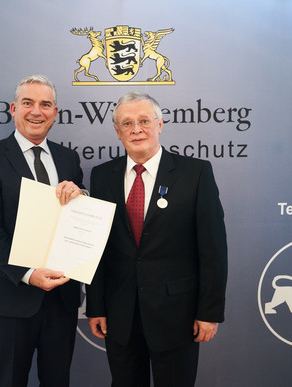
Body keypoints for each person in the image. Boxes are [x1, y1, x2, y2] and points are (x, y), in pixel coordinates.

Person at [86, 92, 228, 387]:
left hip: (178, 316)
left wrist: (209, 312)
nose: (136, 129)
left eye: (143, 121)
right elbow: (98, 248)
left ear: (160, 124)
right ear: (117, 131)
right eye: (127, 123)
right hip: (120, 316)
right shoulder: (102, 177)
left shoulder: (195, 173)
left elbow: (213, 249)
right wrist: (96, 306)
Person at [0, 75, 85, 387]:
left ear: (55, 112)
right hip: (12, 297)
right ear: (13, 109)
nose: (37, 111)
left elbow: (78, 216)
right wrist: (28, 272)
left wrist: (81, 196)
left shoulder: (68, 158)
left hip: (61, 300)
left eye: (45, 104)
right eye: (28, 103)